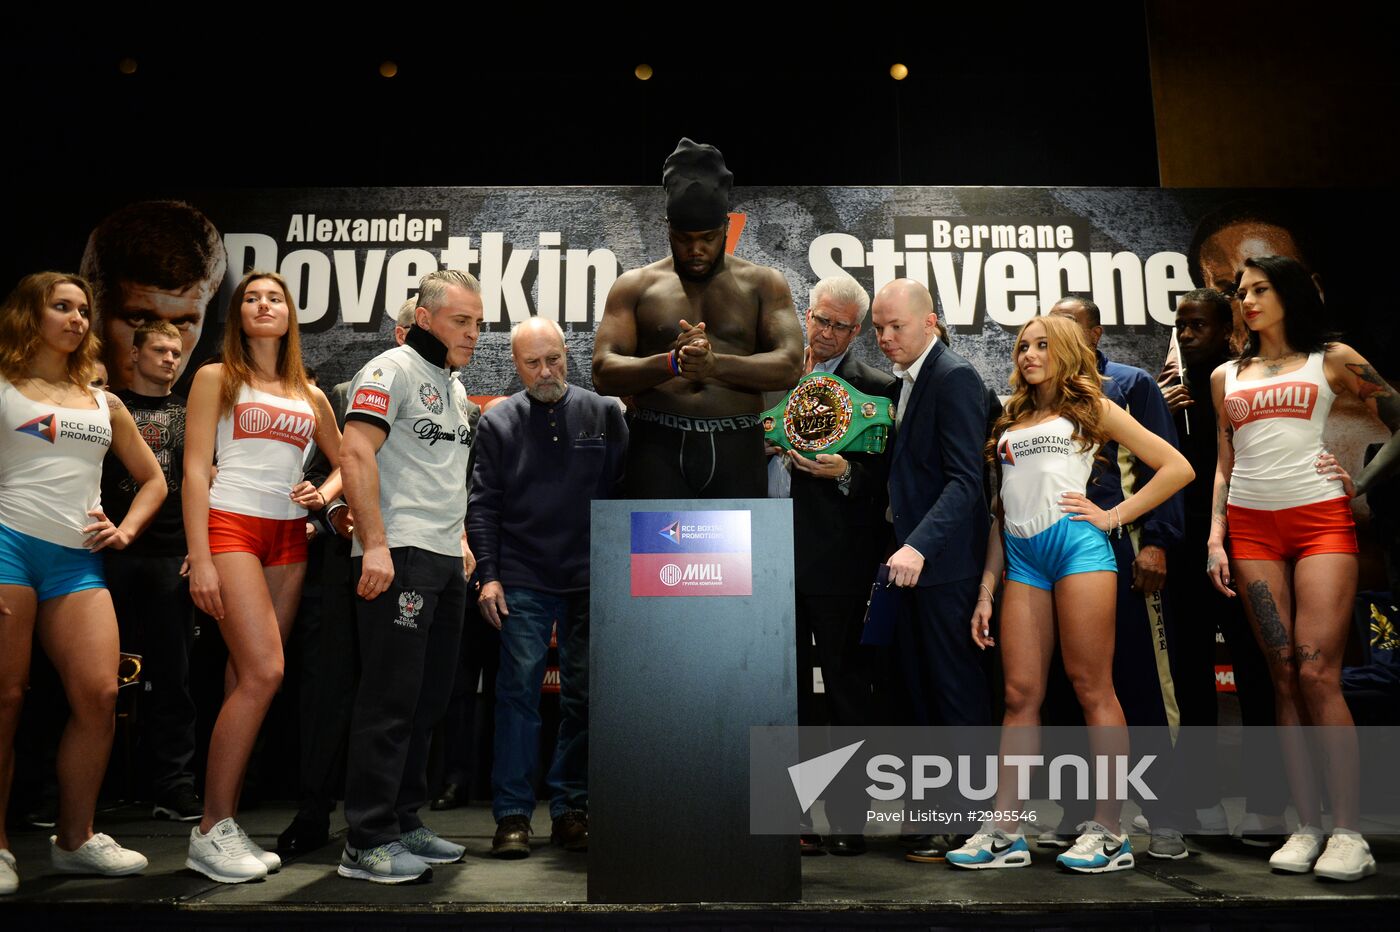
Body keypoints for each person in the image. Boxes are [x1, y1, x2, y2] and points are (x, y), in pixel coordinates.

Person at [948, 314, 1193, 873]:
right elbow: (1002, 510)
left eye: (1041, 345)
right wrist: (988, 588)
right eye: (1022, 346)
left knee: (1093, 688)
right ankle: (1005, 831)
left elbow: (1177, 467)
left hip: (1079, 551)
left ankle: (1110, 832)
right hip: (1023, 557)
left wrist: (1114, 516)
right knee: (1019, 696)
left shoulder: (1092, 407)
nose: (1029, 354)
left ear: (1065, 350)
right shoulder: (1011, 419)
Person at [1207, 255, 1400, 881]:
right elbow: (1223, 463)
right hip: (1252, 531)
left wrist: (1360, 484)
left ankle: (1350, 833)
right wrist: (1216, 538)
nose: (1248, 301)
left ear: (1289, 292)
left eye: (1260, 289)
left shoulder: (1334, 358)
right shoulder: (1225, 376)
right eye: (1242, 292)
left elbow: (1398, 416)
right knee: (1282, 673)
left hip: (1320, 523)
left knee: (1319, 671)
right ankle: (1307, 824)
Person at [0, 272, 166, 894]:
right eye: (61, 307)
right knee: (6, 698)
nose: (76, 318)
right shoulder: (4, 388)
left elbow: (154, 480)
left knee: (100, 695)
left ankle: (75, 839)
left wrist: (124, 531)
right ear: (28, 315)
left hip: (77, 561)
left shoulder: (102, 400)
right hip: (8, 548)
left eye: (83, 309)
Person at [182, 270, 342, 883]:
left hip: (287, 538)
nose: (262, 304)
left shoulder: (310, 392)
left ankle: (223, 822)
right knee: (266, 671)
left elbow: (348, 459)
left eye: (273, 297)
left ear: (289, 313)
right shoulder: (215, 378)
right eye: (251, 297)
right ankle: (208, 831)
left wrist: (320, 492)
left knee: (246, 677)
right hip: (230, 529)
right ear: (238, 314)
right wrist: (199, 556)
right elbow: (196, 472)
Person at [338, 270, 482, 884]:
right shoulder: (389, 370)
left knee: (429, 699)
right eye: (461, 322)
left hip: (444, 558)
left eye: (478, 323)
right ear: (424, 318)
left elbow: (445, 475)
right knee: (390, 700)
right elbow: (354, 452)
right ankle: (365, 840)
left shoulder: (452, 385)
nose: (474, 335)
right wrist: (374, 544)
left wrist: (463, 543)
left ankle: (402, 818)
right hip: (396, 555)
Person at [471, 317, 626, 859]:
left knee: (584, 699)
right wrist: (488, 574)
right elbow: (483, 505)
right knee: (516, 697)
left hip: (592, 578)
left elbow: (624, 493)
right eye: (533, 363)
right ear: (514, 365)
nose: (546, 372)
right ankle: (512, 815)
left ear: (568, 353)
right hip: (522, 578)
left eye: (554, 359)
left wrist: (620, 574)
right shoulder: (497, 421)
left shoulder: (604, 413)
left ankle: (572, 810)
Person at [277, 297, 424, 857]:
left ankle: (394, 820)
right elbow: (314, 473)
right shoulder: (343, 395)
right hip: (343, 566)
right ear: (401, 332)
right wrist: (335, 513)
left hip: (410, 564)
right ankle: (314, 811)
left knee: (398, 698)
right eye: (415, 330)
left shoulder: (455, 402)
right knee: (329, 693)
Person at [1045, 297, 1187, 858]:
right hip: (1058, 564)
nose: (1059, 338)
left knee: (1143, 686)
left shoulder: (1128, 384)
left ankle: (1165, 814)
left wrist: (1156, 542)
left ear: (1097, 333)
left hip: (1123, 556)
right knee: (1074, 689)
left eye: (1071, 327)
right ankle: (1083, 813)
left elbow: (1165, 465)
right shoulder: (1039, 398)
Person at [592, 137, 802, 498]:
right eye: (683, 238)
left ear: (726, 226)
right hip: (656, 446)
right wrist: (671, 363)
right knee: (651, 556)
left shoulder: (763, 284)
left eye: (707, 237)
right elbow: (603, 372)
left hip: (737, 446)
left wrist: (714, 364)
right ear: (667, 228)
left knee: (741, 558)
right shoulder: (636, 286)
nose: (695, 249)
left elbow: (789, 365)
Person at [766, 277, 897, 857]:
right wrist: (759, 444)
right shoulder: (767, 377)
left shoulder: (877, 389)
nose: (825, 332)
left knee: (845, 690)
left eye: (840, 325)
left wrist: (843, 472)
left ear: (858, 330)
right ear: (806, 312)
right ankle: (781, 816)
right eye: (819, 318)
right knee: (773, 693)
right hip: (761, 558)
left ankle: (848, 816)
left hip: (837, 566)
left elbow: (888, 481)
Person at [1161, 289, 1287, 844]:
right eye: (1181, 327)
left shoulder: (1244, 380)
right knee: (1190, 681)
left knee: (1258, 676)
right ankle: (1201, 802)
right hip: (1184, 550)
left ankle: (1266, 806)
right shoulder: (1163, 392)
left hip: (1247, 544)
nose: (1188, 336)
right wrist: (1162, 418)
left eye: (1199, 326)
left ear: (1229, 329)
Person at [99, 320, 203, 822]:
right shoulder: (103, 405)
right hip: (104, 550)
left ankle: (173, 785)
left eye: (176, 351)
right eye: (159, 349)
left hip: (171, 553)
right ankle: (67, 788)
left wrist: (199, 548)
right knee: (89, 676)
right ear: (133, 352)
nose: (169, 358)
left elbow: (206, 482)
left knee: (174, 677)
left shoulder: (190, 413)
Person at [79, 201, 227, 391]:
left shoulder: (192, 414)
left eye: (181, 322)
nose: (163, 340)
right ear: (91, 307)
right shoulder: (49, 402)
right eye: (138, 319)